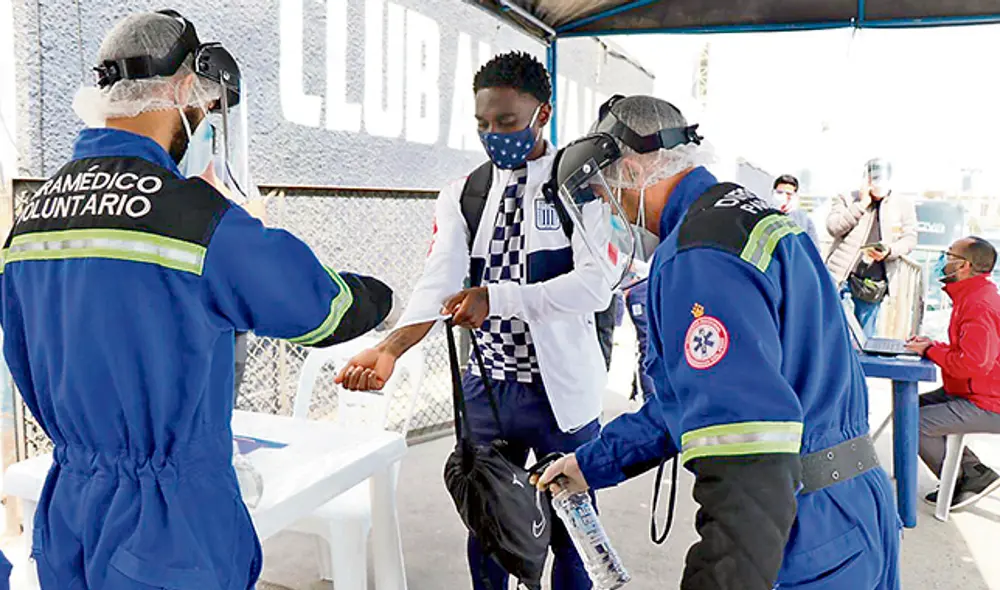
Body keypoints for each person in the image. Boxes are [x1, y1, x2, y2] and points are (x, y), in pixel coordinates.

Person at [0, 11, 393, 589]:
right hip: (169, 531)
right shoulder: (198, 220)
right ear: (186, 89)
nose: (205, 122)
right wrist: (377, 295)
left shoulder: (30, 222)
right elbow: (325, 312)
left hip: (69, 515)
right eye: (208, 109)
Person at [534, 95, 901, 589]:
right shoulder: (750, 217)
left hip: (807, 530)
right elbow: (694, 401)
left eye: (607, 194)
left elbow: (747, 456)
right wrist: (592, 462)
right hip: (856, 509)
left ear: (631, 167)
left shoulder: (699, 254)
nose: (613, 209)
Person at [336, 51, 610, 590]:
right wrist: (391, 349)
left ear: (542, 113)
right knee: (489, 525)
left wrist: (497, 298)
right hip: (487, 390)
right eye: (483, 123)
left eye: (507, 122)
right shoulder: (465, 193)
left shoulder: (578, 183)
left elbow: (595, 286)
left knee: (574, 532)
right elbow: (439, 282)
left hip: (563, 398)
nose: (494, 134)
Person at [906, 237, 1000, 510]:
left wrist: (930, 353)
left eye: (948, 255)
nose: (943, 261)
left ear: (964, 265)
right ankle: (975, 473)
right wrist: (932, 346)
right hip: (974, 390)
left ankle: (958, 481)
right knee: (909, 407)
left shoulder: (978, 305)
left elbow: (972, 364)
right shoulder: (973, 295)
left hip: (988, 402)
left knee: (914, 422)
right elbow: (968, 351)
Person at [826, 158, 917, 338]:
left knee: (864, 335)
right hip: (839, 276)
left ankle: (860, 365)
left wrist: (890, 250)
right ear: (865, 179)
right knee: (830, 328)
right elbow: (834, 227)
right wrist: (861, 204)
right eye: (873, 178)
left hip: (873, 280)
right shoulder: (847, 198)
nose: (877, 184)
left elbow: (910, 238)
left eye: (882, 179)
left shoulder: (903, 204)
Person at [771, 174, 819, 245]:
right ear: (773, 192)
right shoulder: (764, 215)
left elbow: (814, 249)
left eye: (788, 194)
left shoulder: (804, 220)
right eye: (779, 192)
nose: (784, 196)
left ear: (794, 196)